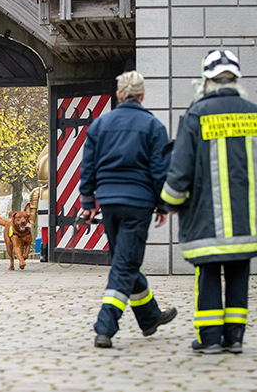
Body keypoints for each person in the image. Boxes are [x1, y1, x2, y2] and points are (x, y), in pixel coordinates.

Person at [160, 50, 257, 354]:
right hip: (243, 215)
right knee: (239, 273)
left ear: (206, 79)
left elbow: (181, 167)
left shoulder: (197, 114)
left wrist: (169, 202)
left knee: (208, 273)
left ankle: (209, 339)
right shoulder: (255, 113)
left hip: (204, 215)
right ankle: (235, 338)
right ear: (236, 78)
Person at [80, 70, 177, 349]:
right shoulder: (153, 127)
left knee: (124, 261)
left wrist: (88, 203)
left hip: (109, 204)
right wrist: (162, 203)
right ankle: (105, 326)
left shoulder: (100, 124)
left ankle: (149, 318)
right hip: (139, 204)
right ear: (143, 95)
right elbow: (160, 170)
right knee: (125, 264)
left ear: (119, 94)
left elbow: (88, 165)